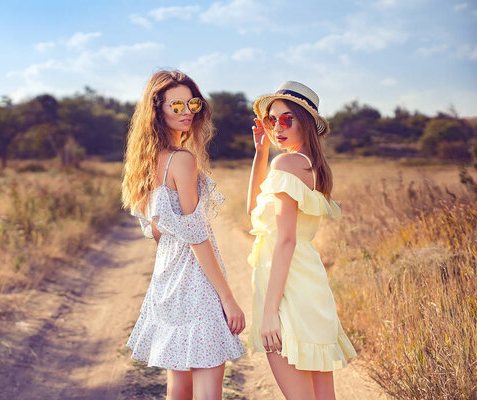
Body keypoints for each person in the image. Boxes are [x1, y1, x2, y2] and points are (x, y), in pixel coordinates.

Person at [122, 70, 246, 400]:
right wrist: (228, 298)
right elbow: (196, 235)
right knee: (208, 386)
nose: (186, 111)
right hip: (194, 281)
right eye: (175, 105)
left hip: (166, 278)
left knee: (179, 385)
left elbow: (160, 232)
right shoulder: (182, 159)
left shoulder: (146, 161)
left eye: (191, 102)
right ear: (157, 108)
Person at [246, 81, 357, 399]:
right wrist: (261, 152)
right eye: (271, 120)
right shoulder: (310, 167)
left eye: (286, 119)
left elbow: (285, 241)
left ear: (306, 123)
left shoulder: (287, 165)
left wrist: (269, 313)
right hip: (308, 285)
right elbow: (253, 212)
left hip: (289, 291)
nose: (276, 127)